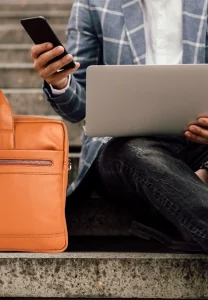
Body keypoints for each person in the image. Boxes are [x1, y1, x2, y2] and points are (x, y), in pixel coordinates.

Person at [31, 0, 208, 252]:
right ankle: (197, 183)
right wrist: (60, 82)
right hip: (129, 150)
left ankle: (181, 211)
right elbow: (79, 106)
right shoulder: (94, 4)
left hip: (200, 143)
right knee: (135, 152)